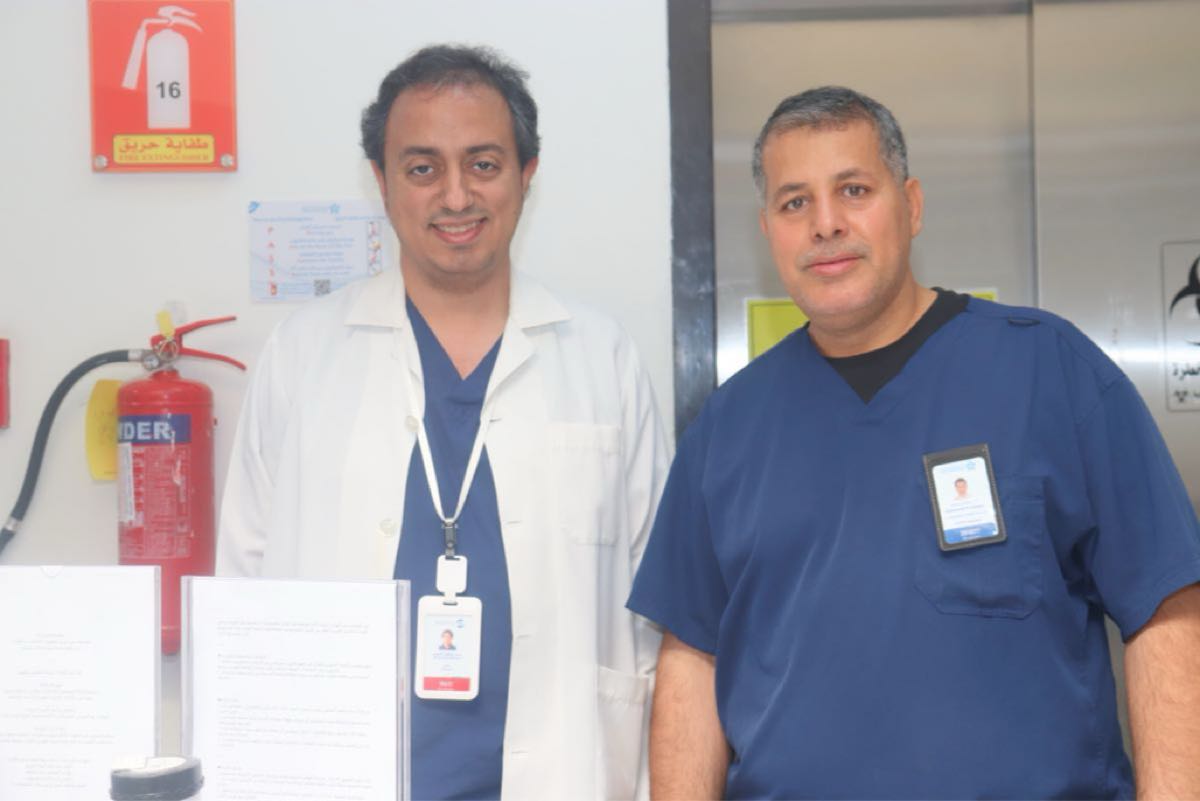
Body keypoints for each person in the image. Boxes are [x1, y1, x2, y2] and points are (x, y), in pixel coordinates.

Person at [628, 86, 1200, 798]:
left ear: (912, 204)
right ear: (769, 229)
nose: (826, 224)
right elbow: (693, 658)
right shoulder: (727, 428)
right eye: (795, 202)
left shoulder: (1049, 371)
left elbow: (1166, 606)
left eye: (854, 189)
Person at [218, 44, 669, 800]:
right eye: (423, 167)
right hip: (336, 776)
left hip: (563, 775)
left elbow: (654, 610)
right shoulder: (304, 354)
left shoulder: (603, 357)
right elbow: (243, 587)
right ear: (381, 181)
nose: (456, 196)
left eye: (483, 164)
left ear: (527, 174)